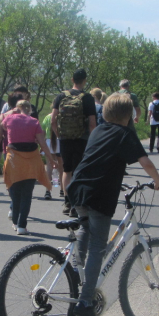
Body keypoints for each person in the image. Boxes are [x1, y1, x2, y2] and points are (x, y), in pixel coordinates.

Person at [67, 93, 159, 316]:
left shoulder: (98, 131)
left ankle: (74, 271)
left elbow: (100, 160)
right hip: (98, 195)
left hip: (77, 188)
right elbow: (146, 162)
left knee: (85, 229)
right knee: (98, 249)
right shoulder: (125, 134)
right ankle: (85, 303)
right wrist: (158, 181)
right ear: (130, 115)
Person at [0, 99, 53, 235]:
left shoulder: (9, 119)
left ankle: (15, 222)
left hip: (14, 160)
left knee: (15, 193)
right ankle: (22, 226)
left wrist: (11, 112)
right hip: (31, 160)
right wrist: (51, 159)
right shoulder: (34, 122)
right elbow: (42, 143)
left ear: (17, 108)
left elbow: (2, 125)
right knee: (27, 194)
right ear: (30, 110)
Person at [50, 68, 97, 216]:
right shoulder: (87, 98)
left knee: (67, 170)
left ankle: (67, 202)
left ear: (72, 80)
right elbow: (92, 123)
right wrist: (93, 140)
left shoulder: (61, 96)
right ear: (84, 80)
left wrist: (59, 134)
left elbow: (53, 120)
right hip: (81, 139)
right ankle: (77, 204)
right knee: (79, 171)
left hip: (65, 139)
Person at [40, 111, 61, 200]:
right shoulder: (61, 117)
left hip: (48, 142)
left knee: (49, 166)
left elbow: (43, 132)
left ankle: (48, 190)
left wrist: (42, 144)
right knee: (60, 167)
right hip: (59, 141)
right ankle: (61, 188)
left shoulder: (47, 118)